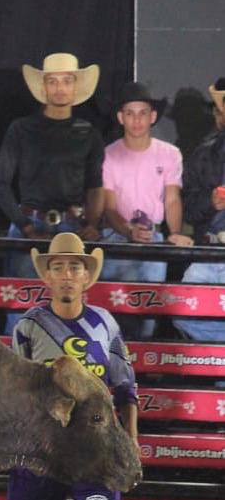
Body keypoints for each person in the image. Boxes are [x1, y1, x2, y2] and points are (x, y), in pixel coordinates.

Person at [0, 232, 138, 500]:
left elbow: (126, 387)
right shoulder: (27, 327)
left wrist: (128, 442)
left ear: (86, 276)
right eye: (58, 267)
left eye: (74, 267)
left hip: (95, 452)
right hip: (42, 450)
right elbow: (16, 390)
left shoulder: (106, 325)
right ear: (47, 276)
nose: (66, 275)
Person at [0, 52, 105, 333]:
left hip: (71, 228)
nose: (60, 88)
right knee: (21, 307)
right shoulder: (21, 129)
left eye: (66, 81)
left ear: (75, 87)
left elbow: (95, 185)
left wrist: (92, 223)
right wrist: (25, 225)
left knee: (70, 306)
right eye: (53, 81)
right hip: (31, 223)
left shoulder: (87, 132)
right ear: (44, 87)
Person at [100, 81, 192, 339]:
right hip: (117, 239)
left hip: (152, 238)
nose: (137, 120)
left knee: (148, 313)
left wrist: (174, 232)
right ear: (121, 117)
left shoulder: (170, 154)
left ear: (152, 117)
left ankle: (140, 373)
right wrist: (127, 230)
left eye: (142, 113)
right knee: (114, 310)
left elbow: (172, 198)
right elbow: (108, 205)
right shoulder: (108, 154)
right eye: (130, 113)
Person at [174, 78, 225, 343]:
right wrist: (210, 202)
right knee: (182, 310)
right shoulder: (203, 154)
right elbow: (190, 211)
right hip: (211, 253)